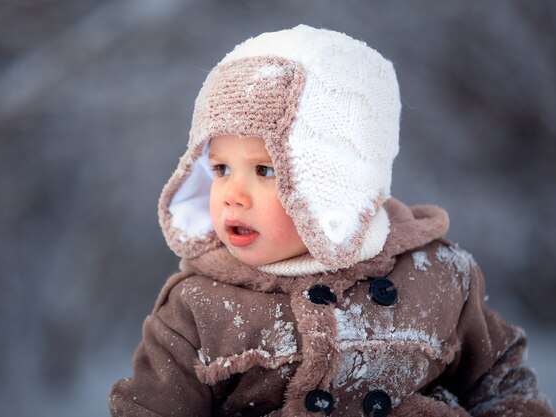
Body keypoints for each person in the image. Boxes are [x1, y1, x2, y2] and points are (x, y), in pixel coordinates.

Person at [109, 25, 553, 417]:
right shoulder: (199, 308)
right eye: (220, 168)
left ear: (340, 179)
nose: (231, 196)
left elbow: (500, 383)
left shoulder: (438, 277)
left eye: (266, 170)